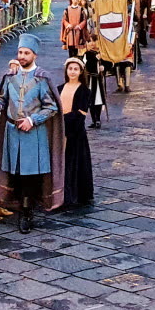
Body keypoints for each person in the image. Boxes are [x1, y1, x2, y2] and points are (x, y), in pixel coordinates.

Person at [0, 35, 64, 233]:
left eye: (26, 53)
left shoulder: (42, 78)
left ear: (34, 55)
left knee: (30, 176)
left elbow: (51, 107)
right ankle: (17, 205)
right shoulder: (9, 77)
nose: (22, 56)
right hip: (12, 133)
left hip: (33, 134)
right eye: (20, 52)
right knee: (16, 173)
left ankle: (27, 212)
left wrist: (32, 120)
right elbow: (3, 101)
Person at [61, 58, 94, 206]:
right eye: (70, 69)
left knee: (74, 164)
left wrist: (63, 121)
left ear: (81, 72)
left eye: (76, 69)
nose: (72, 71)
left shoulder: (85, 91)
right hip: (60, 132)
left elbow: (80, 114)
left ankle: (74, 195)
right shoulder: (59, 88)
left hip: (75, 133)